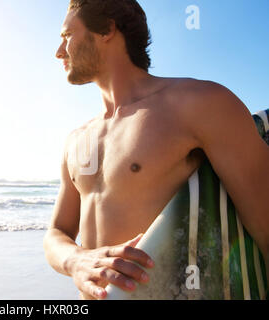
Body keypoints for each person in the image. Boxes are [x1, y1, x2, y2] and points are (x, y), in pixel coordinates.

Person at [43, 0, 269, 300]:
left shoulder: (200, 104)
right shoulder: (77, 140)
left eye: (67, 35)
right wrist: (75, 260)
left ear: (108, 29)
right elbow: (56, 233)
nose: (59, 51)